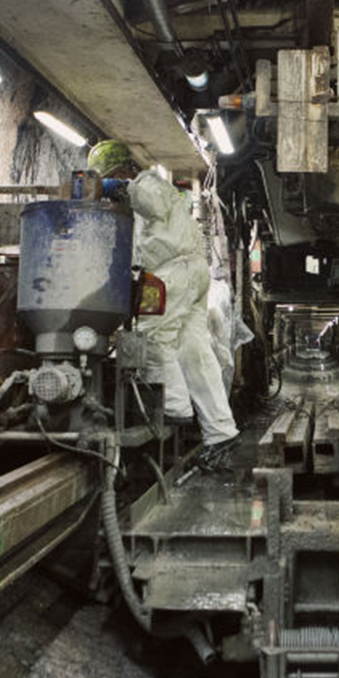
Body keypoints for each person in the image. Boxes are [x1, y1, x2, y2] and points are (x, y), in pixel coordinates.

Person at [87, 140, 241, 468]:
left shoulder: (147, 183)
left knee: (155, 337)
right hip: (190, 271)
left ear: (122, 170)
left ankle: (175, 408)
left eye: (112, 176)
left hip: (172, 272)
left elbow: (150, 201)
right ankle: (222, 432)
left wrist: (122, 188)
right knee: (194, 350)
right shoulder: (150, 193)